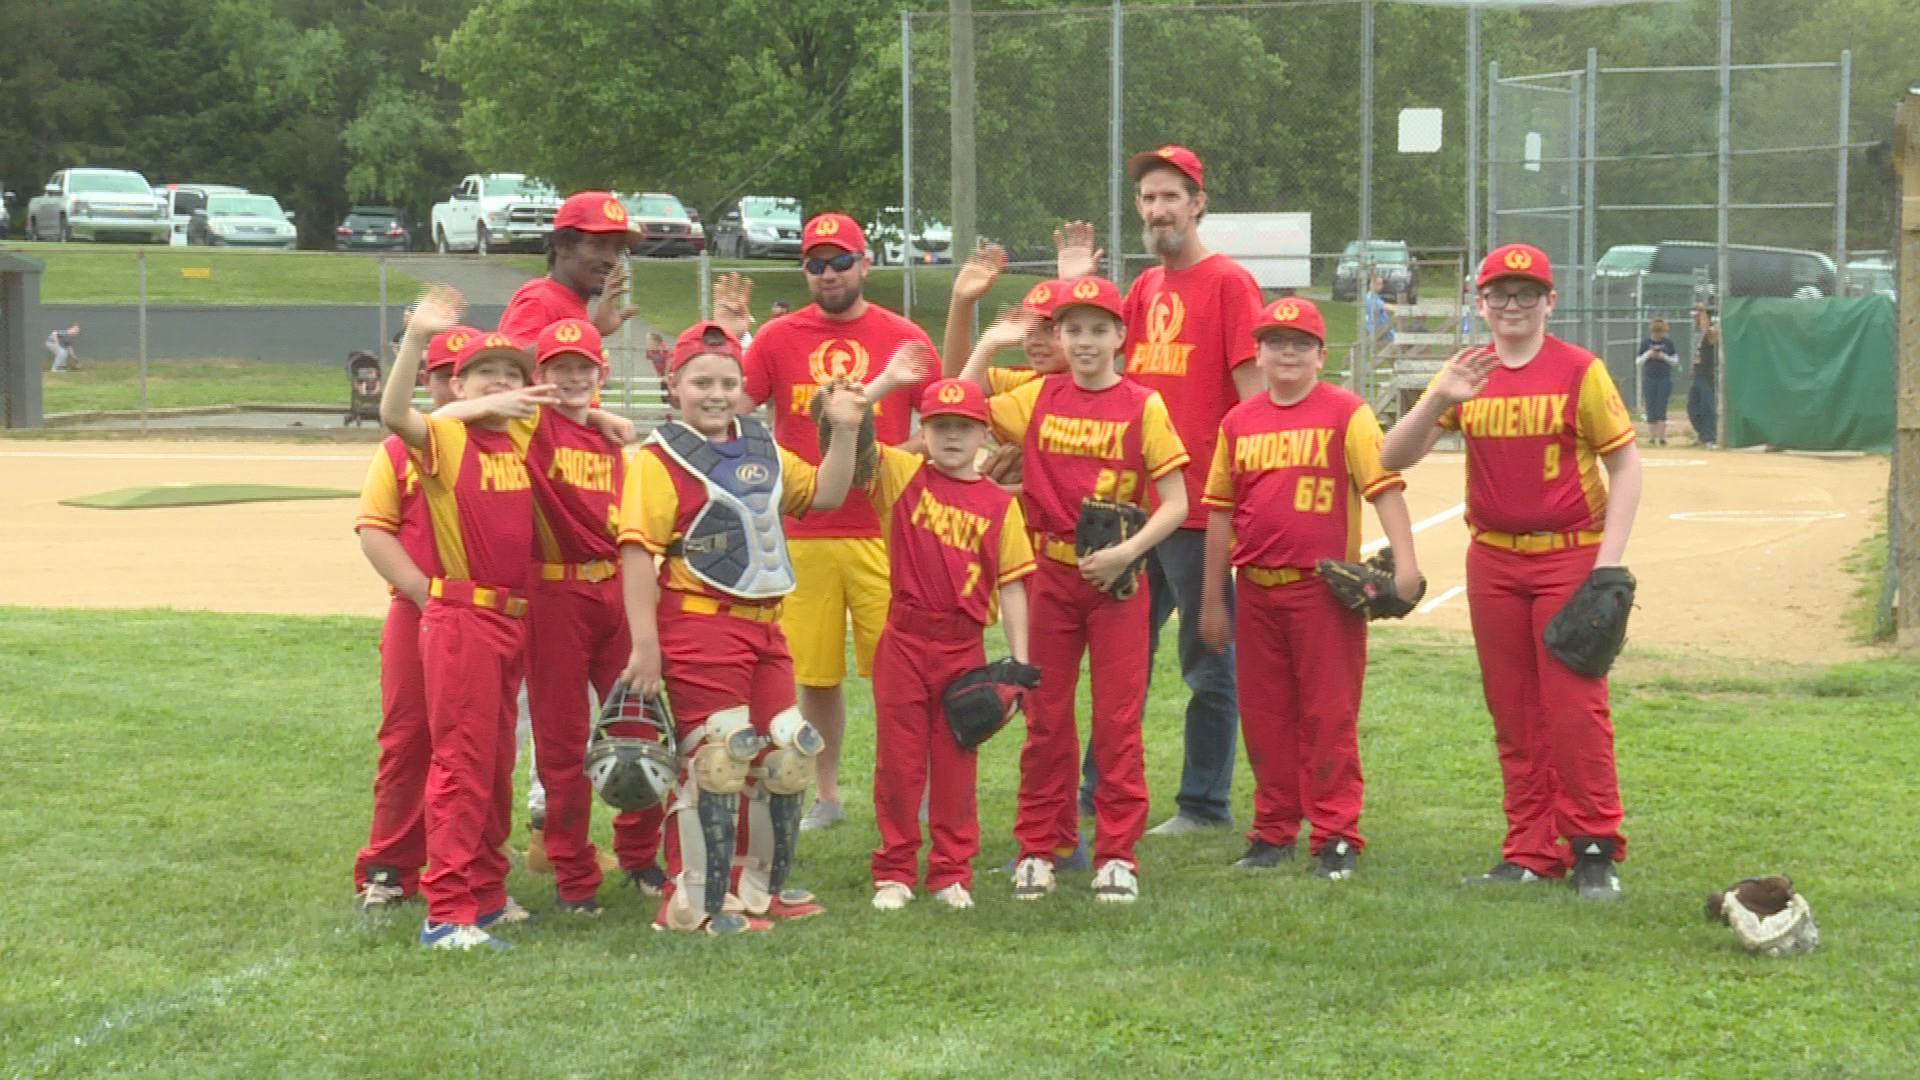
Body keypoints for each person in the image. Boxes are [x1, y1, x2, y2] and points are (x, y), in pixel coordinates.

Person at [617, 321, 924, 933]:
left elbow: (829, 493)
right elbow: (635, 553)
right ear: (673, 386)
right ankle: (694, 900)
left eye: (728, 381)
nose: (715, 393)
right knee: (716, 760)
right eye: (700, 381)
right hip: (700, 623)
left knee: (784, 755)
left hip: (765, 625)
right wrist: (645, 647)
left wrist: (843, 428)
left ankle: (757, 888)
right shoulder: (659, 458)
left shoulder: (760, 446)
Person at [1380, 243, 1642, 902]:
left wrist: (1607, 565)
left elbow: (1626, 467)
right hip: (1492, 558)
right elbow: (1391, 454)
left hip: (1568, 554)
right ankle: (1529, 848)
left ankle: (1591, 846)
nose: (1513, 304)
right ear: (1481, 302)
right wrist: (1438, 395)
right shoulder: (1467, 371)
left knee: (1575, 706)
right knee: (1514, 709)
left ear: (1550, 301)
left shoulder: (1580, 371)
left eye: (1527, 293)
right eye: (1500, 293)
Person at [960, 275, 1190, 904]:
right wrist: (990, 344)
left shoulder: (1144, 405)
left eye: (1098, 329)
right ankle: (1042, 845)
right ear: (1057, 336)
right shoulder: (1039, 396)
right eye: (1073, 330)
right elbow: (958, 398)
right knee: (1045, 717)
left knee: (1118, 722)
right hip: (1050, 575)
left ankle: (1117, 854)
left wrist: (1126, 552)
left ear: (1121, 336)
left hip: (1117, 580)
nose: (1086, 342)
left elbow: (1176, 501)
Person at [1195, 298, 1422, 880]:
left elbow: (1383, 487)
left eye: (1300, 342)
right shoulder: (1238, 421)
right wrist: (1213, 600)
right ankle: (1272, 831)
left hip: (1322, 592)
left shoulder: (1346, 412)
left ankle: (1336, 835)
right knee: (1266, 716)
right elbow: (1220, 515)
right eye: (1275, 341)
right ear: (1259, 353)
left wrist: (1407, 567)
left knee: (1328, 714)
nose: (1287, 352)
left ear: (1323, 355)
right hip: (1257, 590)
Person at [737, 213, 938, 832]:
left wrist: (895, 460)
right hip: (804, 530)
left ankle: (912, 787)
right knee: (815, 673)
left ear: (865, 264)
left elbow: (940, 425)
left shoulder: (903, 337)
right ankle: (826, 793)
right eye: (816, 264)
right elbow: (733, 409)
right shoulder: (777, 337)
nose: (828, 274)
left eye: (840, 261)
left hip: (884, 530)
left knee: (901, 672)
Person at [378, 289, 552, 949]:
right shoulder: (446, 437)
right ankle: (445, 909)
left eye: (512, 375)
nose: (504, 384)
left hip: (509, 618)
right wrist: (418, 340)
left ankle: (482, 892)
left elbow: (567, 379)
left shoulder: (514, 441)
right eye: (487, 374)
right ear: (459, 385)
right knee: (460, 760)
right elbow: (395, 411)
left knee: (495, 763)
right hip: (462, 615)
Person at [1114, 145, 1264, 836]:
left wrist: (1246, 497)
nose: (1157, 210)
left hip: (1201, 507)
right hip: (1136, 509)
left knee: (1208, 664)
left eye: (1171, 196)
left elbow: (1252, 400)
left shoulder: (1229, 284)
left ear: (1198, 203)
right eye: (1147, 198)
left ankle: (1203, 805)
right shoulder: (1144, 290)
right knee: (1122, 663)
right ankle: (1104, 792)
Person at [506, 318, 661, 916]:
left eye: (584, 366)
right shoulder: (528, 427)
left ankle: (640, 852)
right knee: (563, 741)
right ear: (539, 375)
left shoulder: (611, 441)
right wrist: (586, 412)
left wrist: (595, 417)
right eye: (558, 367)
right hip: (554, 595)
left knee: (639, 727)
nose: (572, 377)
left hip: (614, 594)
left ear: (603, 372)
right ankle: (573, 874)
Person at [866, 375, 1035, 912]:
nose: (953, 437)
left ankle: (949, 872)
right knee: (899, 760)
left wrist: (1020, 664)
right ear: (924, 431)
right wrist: (882, 385)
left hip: (963, 648)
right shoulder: (902, 475)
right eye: (941, 426)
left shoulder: (998, 504)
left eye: (964, 427)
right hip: (904, 638)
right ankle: (894, 870)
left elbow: (1012, 584)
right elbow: (852, 440)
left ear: (984, 434)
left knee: (956, 762)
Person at [351, 324, 473, 912]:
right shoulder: (403, 446)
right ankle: (390, 864)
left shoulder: (512, 445)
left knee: (479, 744)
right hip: (421, 608)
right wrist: (426, 595)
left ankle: (471, 864)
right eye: (444, 377)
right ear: (430, 382)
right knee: (408, 736)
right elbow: (375, 531)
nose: (455, 387)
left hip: (491, 617)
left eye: (464, 374)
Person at [497, 190, 639, 343]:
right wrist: (591, 332)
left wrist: (593, 331)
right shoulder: (540, 300)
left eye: (617, 249)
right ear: (562, 246)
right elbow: (512, 362)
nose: (611, 259)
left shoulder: (567, 301)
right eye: (597, 245)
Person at [1637, 317, 1678, 446]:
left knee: (1661, 406)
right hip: (1649, 378)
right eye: (1656, 332)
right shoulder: (1645, 343)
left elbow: (1675, 360)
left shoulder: (1668, 343)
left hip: (1664, 378)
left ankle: (1662, 437)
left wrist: (1663, 357)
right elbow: (1638, 361)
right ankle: (1652, 437)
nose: (1658, 335)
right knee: (1651, 406)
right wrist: (1648, 355)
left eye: (1661, 332)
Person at [1687, 304, 1719, 448]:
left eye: (1698, 316)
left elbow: (1710, 335)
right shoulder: (1699, 334)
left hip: (1708, 374)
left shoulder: (1712, 330)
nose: (1696, 319)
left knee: (1707, 406)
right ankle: (1702, 434)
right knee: (1693, 406)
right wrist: (1693, 368)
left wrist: (1703, 312)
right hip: (1699, 374)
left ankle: (1710, 437)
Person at [1364, 274, 1396, 345]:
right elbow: (1385, 307)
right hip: (1382, 334)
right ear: (1371, 284)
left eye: (1382, 284)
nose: (1381, 286)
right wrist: (1401, 309)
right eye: (1378, 283)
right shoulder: (1370, 298)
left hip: (1386, 333)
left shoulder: (1376, 297)